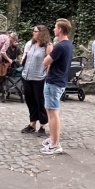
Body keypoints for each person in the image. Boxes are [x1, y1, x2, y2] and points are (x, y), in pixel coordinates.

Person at [41, 19, 73, 155]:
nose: (54, 29)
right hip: (57, 81)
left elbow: (45, 61)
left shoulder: (60, 46)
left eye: (55, 27)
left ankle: (56, 144)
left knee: (53, 114)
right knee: (51, 112)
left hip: (54, 82)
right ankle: (52, 138)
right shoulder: (68, 45)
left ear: (60, 29)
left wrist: (50, 52)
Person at [20, 25, 51, 137]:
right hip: (27, 77)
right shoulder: (32, 44)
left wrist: (47, 76)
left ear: (41, 33)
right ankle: (32, 124)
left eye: (35, 31)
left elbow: (50, 63)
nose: (33, 33)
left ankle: (42, 125)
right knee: (30, 101)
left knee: (40, 102)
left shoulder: (47, 46)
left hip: (39, 78)